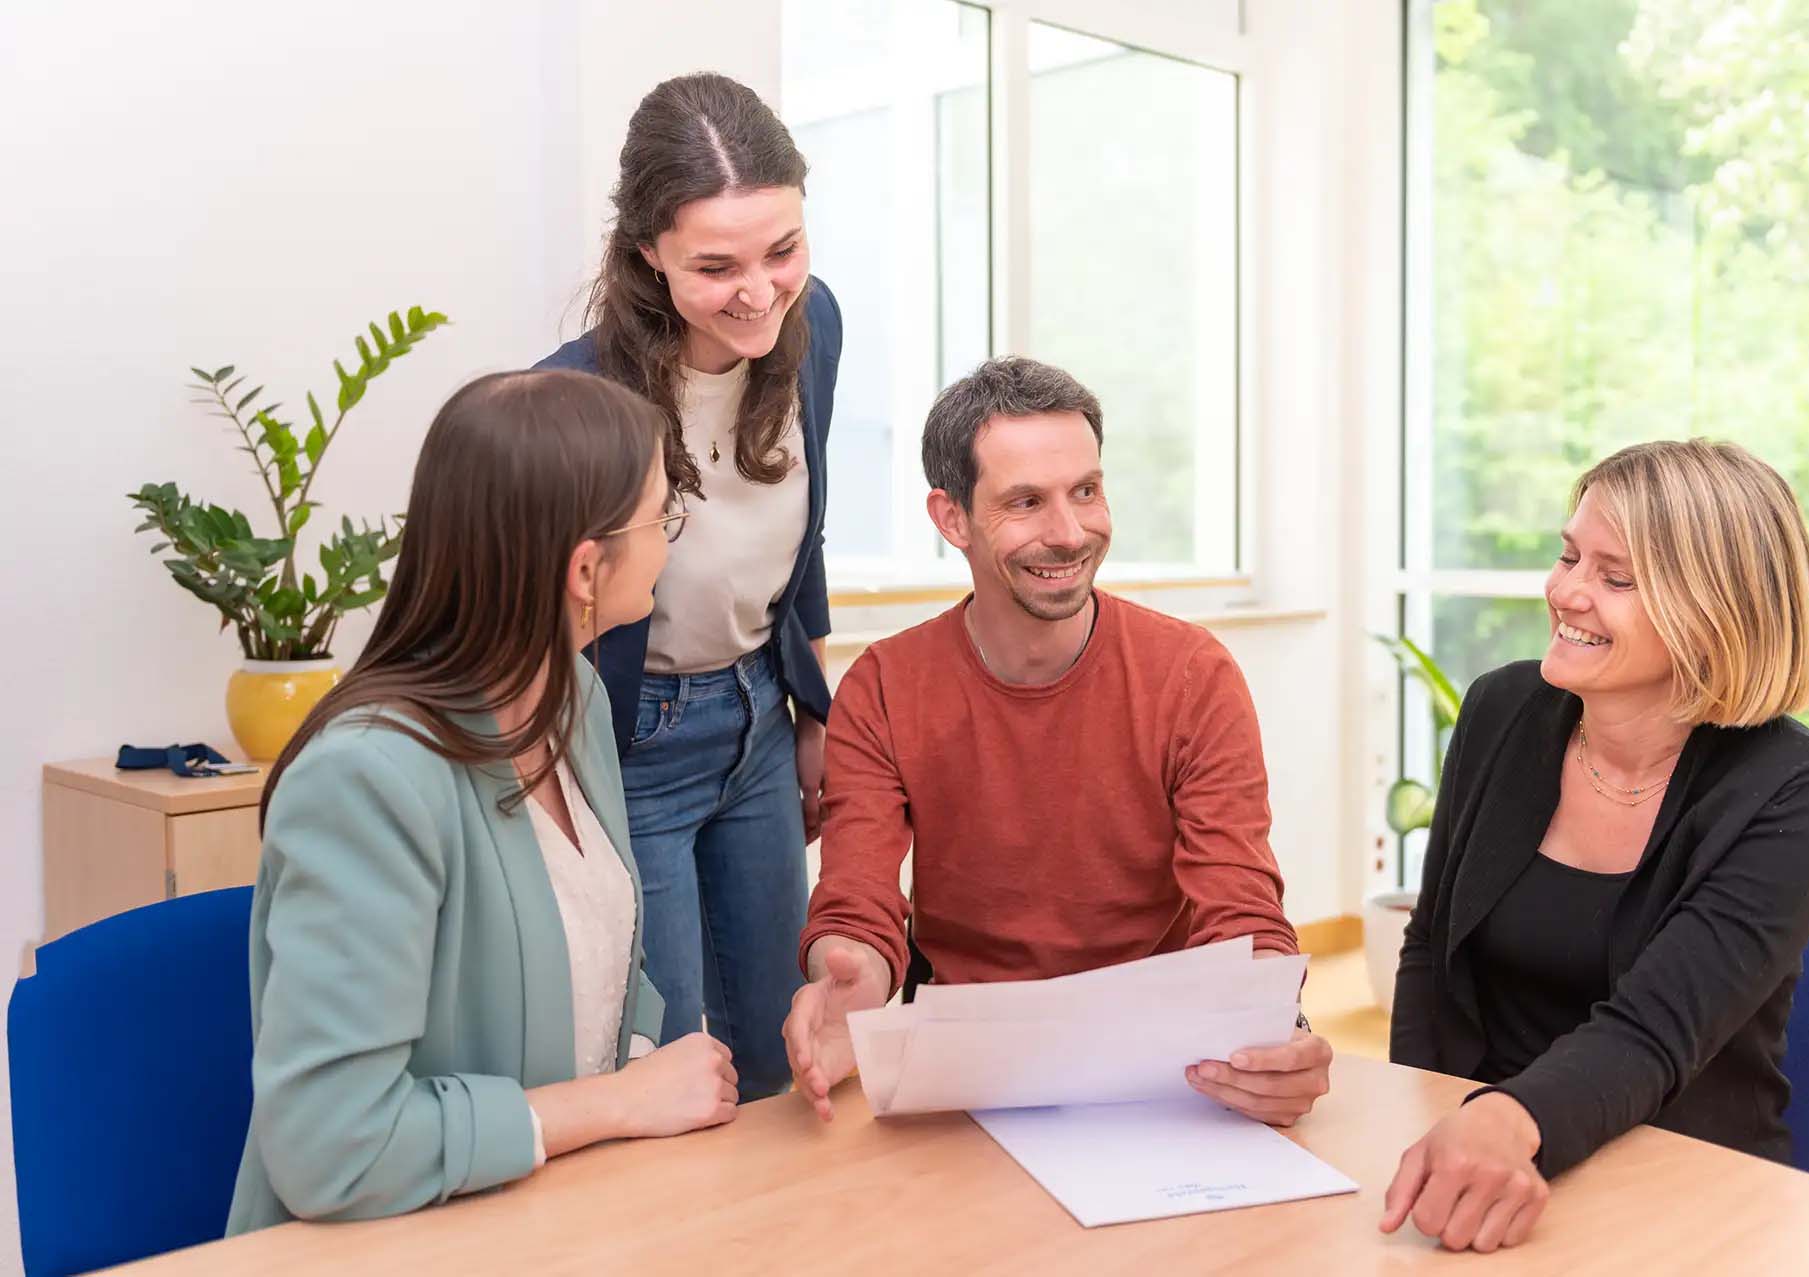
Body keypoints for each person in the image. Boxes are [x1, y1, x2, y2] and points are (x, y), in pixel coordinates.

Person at [227, 370, 738, 1233]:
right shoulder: (364, 779)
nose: (669, 540)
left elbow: (601, 964)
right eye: (662, 517)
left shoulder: (574, 699)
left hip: (561, 1215)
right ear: (586, 569)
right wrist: (616, 1102)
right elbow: (330, 1146)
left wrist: (654, 1071)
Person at [782, 356, 1334, 1125]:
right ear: (951, 518)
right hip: (969, 1066)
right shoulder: (884, 684)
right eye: (1026, 502)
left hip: (1161, 1061)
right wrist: (851, 981)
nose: (1070, 532)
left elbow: (1240, 903)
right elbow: (858, 903)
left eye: (1086, 490)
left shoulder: (1193, 675)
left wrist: (1275, 1021)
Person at [1384, 439, 1809, 1254]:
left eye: (1616, 578)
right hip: (1483, 1154)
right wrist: (1421, 1118)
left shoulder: (1795, 790)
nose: (1566, 591)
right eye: (1569, 555)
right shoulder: (1502, 709)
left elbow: (1651, 1029)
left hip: (1684, 1180)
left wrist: (1501, 1121)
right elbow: (1431, 948)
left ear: (1713, 611)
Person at [538, 73, 840, 1101]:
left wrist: (815, 710)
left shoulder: (816, 323)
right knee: (665, 1065)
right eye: (715, 266)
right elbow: (551, 616)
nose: (759, 292)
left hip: (760, 716)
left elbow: (805, 533)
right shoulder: (576, 394)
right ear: (646, 254)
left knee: (781, 1052)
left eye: (782, 250)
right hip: (633, 742)